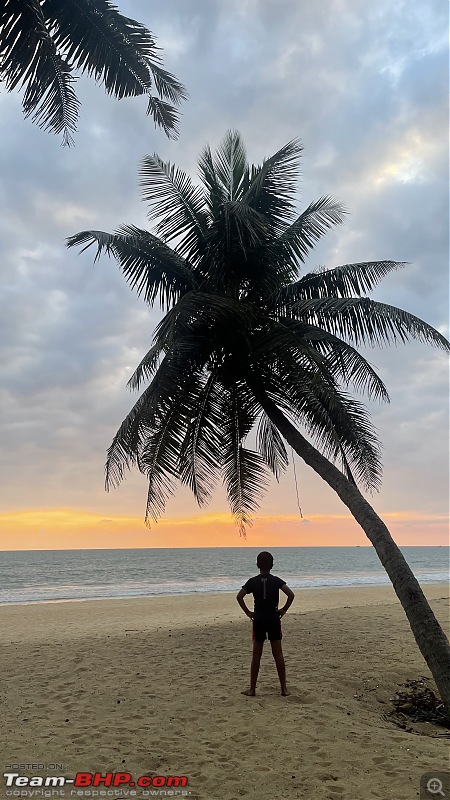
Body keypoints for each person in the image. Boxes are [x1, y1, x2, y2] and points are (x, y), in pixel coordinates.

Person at [236, 551, 295, 696]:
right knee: (278, 654)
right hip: (274, 618)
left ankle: (252, 689)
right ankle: (283, 689)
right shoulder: (276, 581)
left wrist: (248, 613)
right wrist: (283, 610)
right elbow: (291, 594)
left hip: (259, 619)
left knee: (256, 655)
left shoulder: (253, 581)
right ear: (272, 565)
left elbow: (239, 596)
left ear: (257, 565)